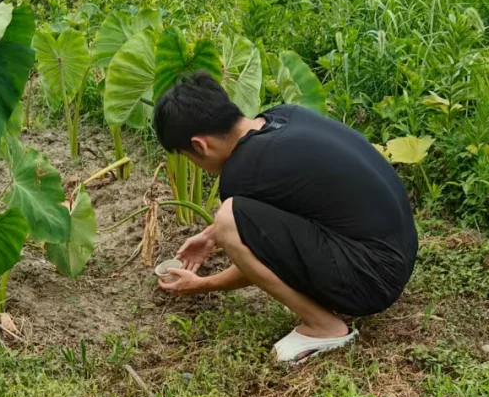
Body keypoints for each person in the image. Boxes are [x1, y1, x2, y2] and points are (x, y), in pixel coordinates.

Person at [153, 73, 418, 365]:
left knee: (229, 217)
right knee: (227, 222)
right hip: (398, 253)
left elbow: (259, 258)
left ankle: (323, 327)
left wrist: (205, 283)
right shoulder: (283, 116)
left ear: (200, 146)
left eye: (188, 157)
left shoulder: (242, 171)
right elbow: (295, 201)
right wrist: (211, 235)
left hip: (373, 280)